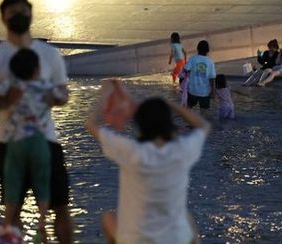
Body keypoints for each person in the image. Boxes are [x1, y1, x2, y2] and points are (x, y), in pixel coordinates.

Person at [0, 0, 72, 243]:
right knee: (12, 205)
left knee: (61, 205)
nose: (18, 16)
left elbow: (64, 94)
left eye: (22, 11)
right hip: (8, 141)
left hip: (47, 140)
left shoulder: (49, 54)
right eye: (12, 12)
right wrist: (7, 99)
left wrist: (52, 98)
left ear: (31, 13)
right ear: (3, 17)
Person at [84, 80, 210, 244]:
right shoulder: (181, 151)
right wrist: (170, 104)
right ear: (169, 124)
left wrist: (104, 99)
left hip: (135, 240)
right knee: (187, 218)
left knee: (108, 217)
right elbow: (204, 126)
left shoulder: (130, 151)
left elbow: (90, 124)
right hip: (175, 239)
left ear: (140, 126)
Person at [0, 48, 58, 240]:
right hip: (39, 142)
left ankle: (6, 227)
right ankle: (41, 223)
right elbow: (60, 97)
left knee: (12, 183)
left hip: (16, 142)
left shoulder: (10, 87)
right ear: (37, 69)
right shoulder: (44, 85)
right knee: (42, 183)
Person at [184, 40, 216, 111]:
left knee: (188, 108)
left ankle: (186, 121)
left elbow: (186, 69)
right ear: (208, 50)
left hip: (193, 90)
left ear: (197, 49)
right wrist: (213, 92)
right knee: (204, 112)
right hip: (205, 92)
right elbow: (212, 78)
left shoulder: (193, 59)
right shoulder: (210, 62)